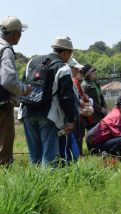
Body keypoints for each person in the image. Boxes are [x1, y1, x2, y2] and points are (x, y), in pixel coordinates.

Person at [19, 36, 77, 166]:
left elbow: (23, 84)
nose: (70, 56)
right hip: (48, 115)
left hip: (27, 112)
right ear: (65, 51)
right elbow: (66, 97)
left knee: (34, 156)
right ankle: (47, 185)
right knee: (49, 157)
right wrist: (70, 119)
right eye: (70, 52)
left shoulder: (32, 62)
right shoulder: (63, 68)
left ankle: (34, 184)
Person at [0, 16, 32, 165]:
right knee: (3, 150)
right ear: (15, 34)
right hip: (1, 106)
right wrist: (24, 89)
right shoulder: (6, 50)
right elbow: (8, 81)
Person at [68, 58, 93, 155]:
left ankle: (78, 154)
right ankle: (76, 154)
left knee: (79, 134)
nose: (79, 71)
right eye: (76, 69)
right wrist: (84, 103)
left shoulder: (74, 81)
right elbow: (78, 98)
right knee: (76, 135)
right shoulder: (74, 81)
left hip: (78, 112)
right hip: (76, 113)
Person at [81, 64, 107, 130]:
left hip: (101, 113)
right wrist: (101, 109)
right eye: (92, 71)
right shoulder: (85, 85)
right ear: (87, 74)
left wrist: (105, 106)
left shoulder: (95, 82)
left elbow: (101, 96)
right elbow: (89, 101)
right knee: (94, 134)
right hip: (93, 115)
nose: (94, 73)